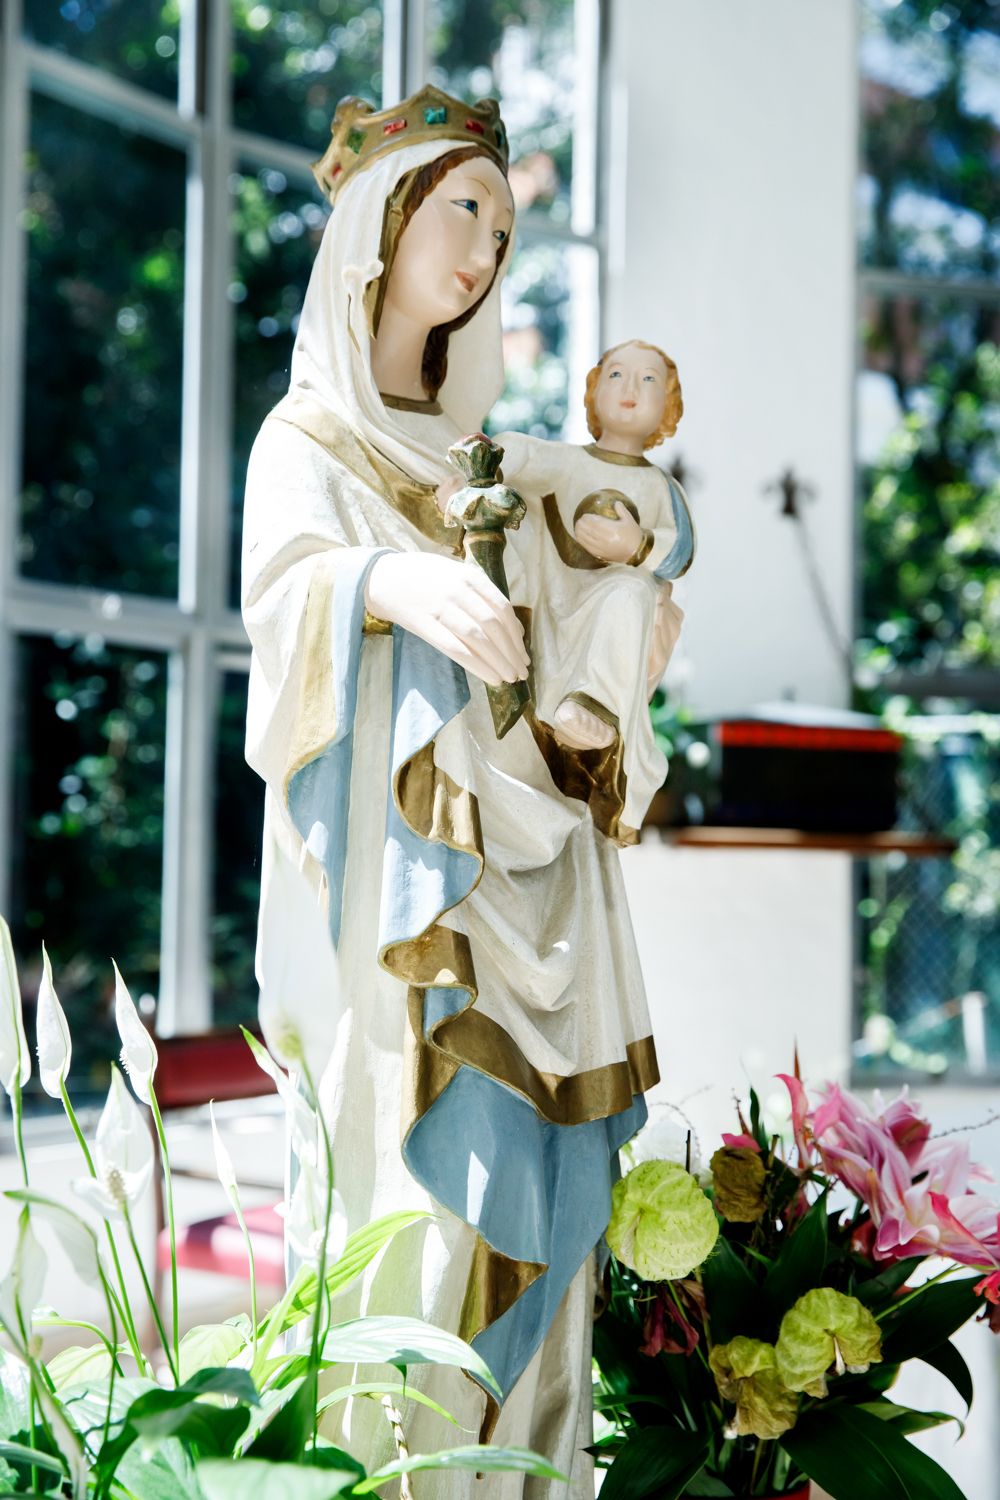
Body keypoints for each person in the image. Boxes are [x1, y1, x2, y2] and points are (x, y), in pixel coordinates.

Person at [241, 86, 671, 1497]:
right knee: (419, 1207)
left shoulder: (496, 459)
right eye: (462, 207)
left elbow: (609, 563)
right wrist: (386, 581)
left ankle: (524, 1473)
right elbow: (285, 601)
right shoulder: (306, 442)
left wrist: (631, 614)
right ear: (381, 224)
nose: (488, 246)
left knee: (546, 1201)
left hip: (539, 880)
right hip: (403, 895)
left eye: (503, 220)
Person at [494, 339, 695, 833]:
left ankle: (591, 708)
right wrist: (486, 459)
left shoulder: (660, 487)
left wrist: (636, 544)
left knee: (631, 592)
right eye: (616, 375)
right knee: (623, 597)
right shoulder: (569, 462)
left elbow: (681, 552)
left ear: (667, 406)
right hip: (561, 609)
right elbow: (522, 454)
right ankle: (565, 703)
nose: (630, 388)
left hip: (620, 614)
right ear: (593, 392)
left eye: (649, 380)